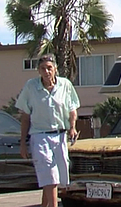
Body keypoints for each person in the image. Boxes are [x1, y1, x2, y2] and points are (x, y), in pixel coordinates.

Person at [16, 54, 80, 207]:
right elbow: (25, 117)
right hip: (40, 136)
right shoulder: (31, 87)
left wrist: (72, 128)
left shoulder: (65, 85)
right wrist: (23, 143)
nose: (46, 71)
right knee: (50, 176)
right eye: (43, 68)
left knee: (56, 178)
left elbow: (72, 110)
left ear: (55, 69)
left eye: (49, 68)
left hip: (59, 135)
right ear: (38, 71)